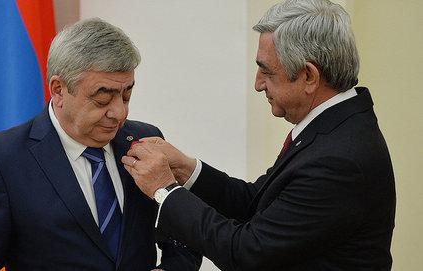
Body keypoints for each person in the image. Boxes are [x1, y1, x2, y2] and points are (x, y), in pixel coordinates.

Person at [122, 0, 395, 270]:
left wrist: (164, 190)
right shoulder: (333, 126)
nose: (257, 84)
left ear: (309, 76)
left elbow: (246, 253)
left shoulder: (339, 159)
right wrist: (186, 169)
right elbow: (257, 202)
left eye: (266, 71)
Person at [0, 18, 200, 271]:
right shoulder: (1, 161)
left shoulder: (144, 140)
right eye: (103, 98)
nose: (119, 112)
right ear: (58, 90)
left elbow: (183, 237)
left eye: (126, 95)